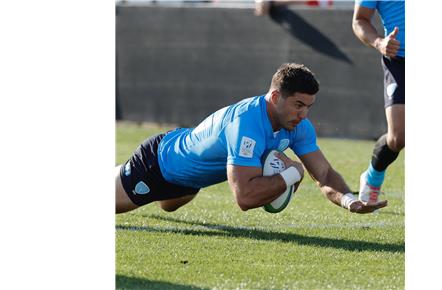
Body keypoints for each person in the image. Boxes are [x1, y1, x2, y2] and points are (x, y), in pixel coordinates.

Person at [116, 63, 387, 215]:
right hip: (156, 165)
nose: (303, 114)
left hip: (187, 184)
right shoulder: (246, 122)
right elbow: (244, 197)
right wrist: (292, 173)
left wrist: (350, 200)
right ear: (275, 97)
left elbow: (325, 174)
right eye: (298, 104)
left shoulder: (298, 126)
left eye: (308, 107)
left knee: (168, 207)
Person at [352, 1, 405, 205]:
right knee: (398, 137)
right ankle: (373, 177)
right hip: (400, 60)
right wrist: (379, 43)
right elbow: (359, 20)